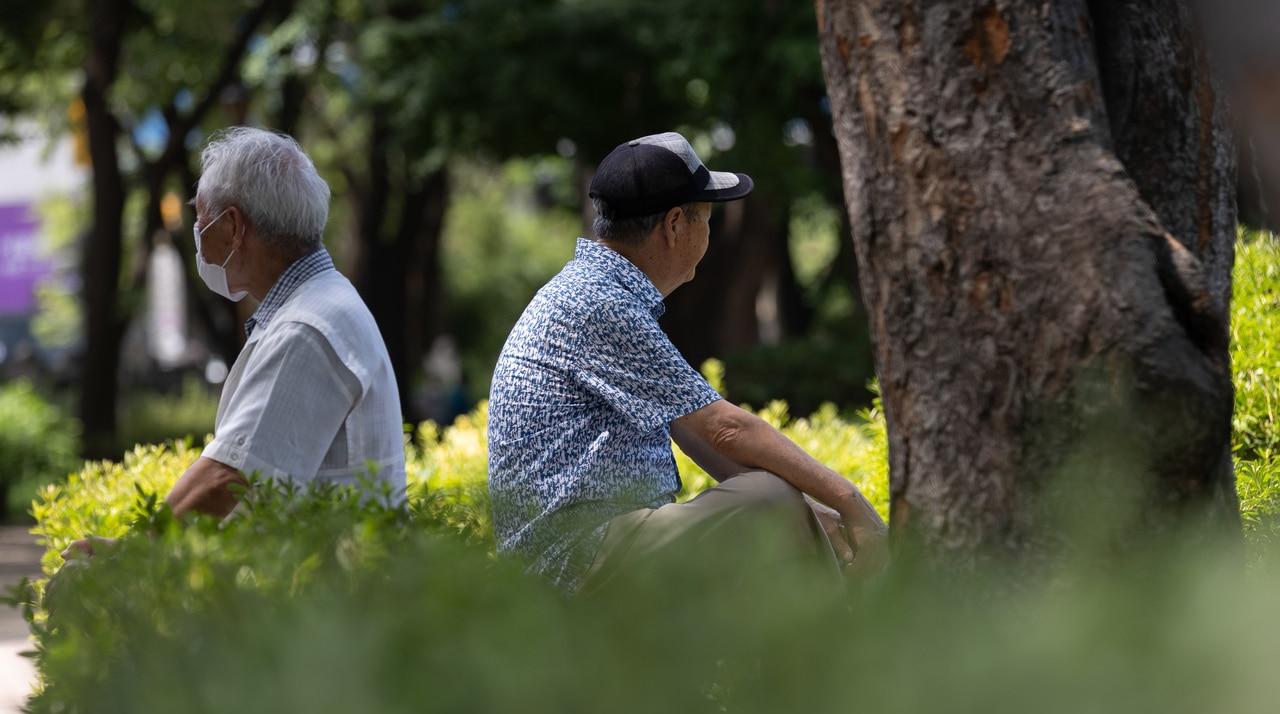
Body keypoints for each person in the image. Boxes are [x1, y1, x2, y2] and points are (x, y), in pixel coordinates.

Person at [487, 131, 888, 592]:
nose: (710, 233)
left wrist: (814, 513)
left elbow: (698, 435)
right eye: (708, 219)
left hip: (584, 553)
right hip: (574, 563)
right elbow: (726, 429)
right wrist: (852, 504)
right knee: (768, 499)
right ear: (675, 224)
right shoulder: (597, 304)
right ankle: (852, 650)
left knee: (777, 500)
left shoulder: (596, 292)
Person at [63, 127, 405, 560]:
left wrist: (131, 558)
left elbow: (229, 475)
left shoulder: (307, 327)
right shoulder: (315, 306)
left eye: (201, 218)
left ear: (232, 226)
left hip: (336, 613)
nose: (198, 234)